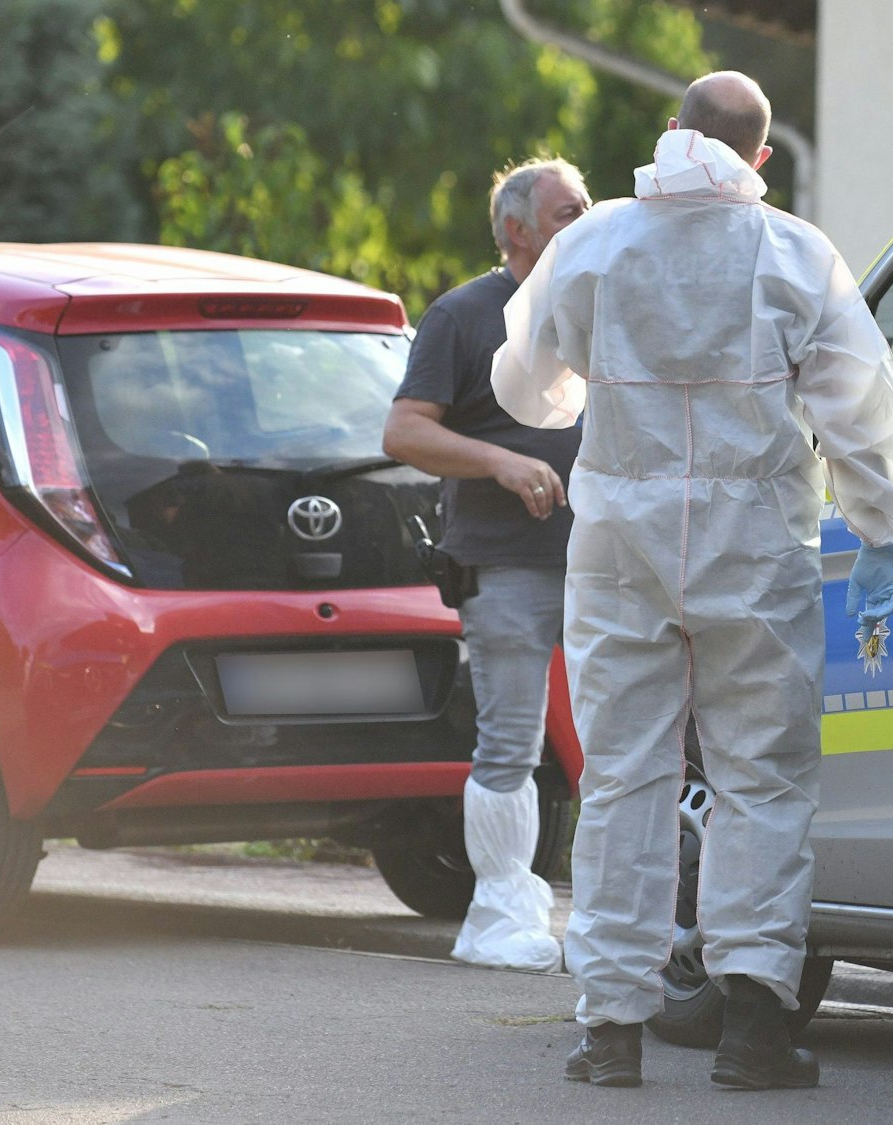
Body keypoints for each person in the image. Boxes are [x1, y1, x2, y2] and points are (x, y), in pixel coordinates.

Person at [493, 70, 893, 1092]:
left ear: (667, 131)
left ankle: (608, 1032)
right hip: (755, 543)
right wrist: (880, 529)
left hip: (621, 546)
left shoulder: (588, 244)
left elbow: (525, 390)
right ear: (759, 158)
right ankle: (755, 1029)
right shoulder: (794, 254)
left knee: (624, 779)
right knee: (760, 780)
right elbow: (858, 410)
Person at [382, 157, 592, 972]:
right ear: (517, 231)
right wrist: (500, 463)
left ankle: (610, 918)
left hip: (605, 562)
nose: (586, 222)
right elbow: (403, 433)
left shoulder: (598, 314)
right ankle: (498, 919)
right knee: (511, 742)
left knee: (621, 745)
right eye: (568, 212)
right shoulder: (463, 317)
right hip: (507, 567)